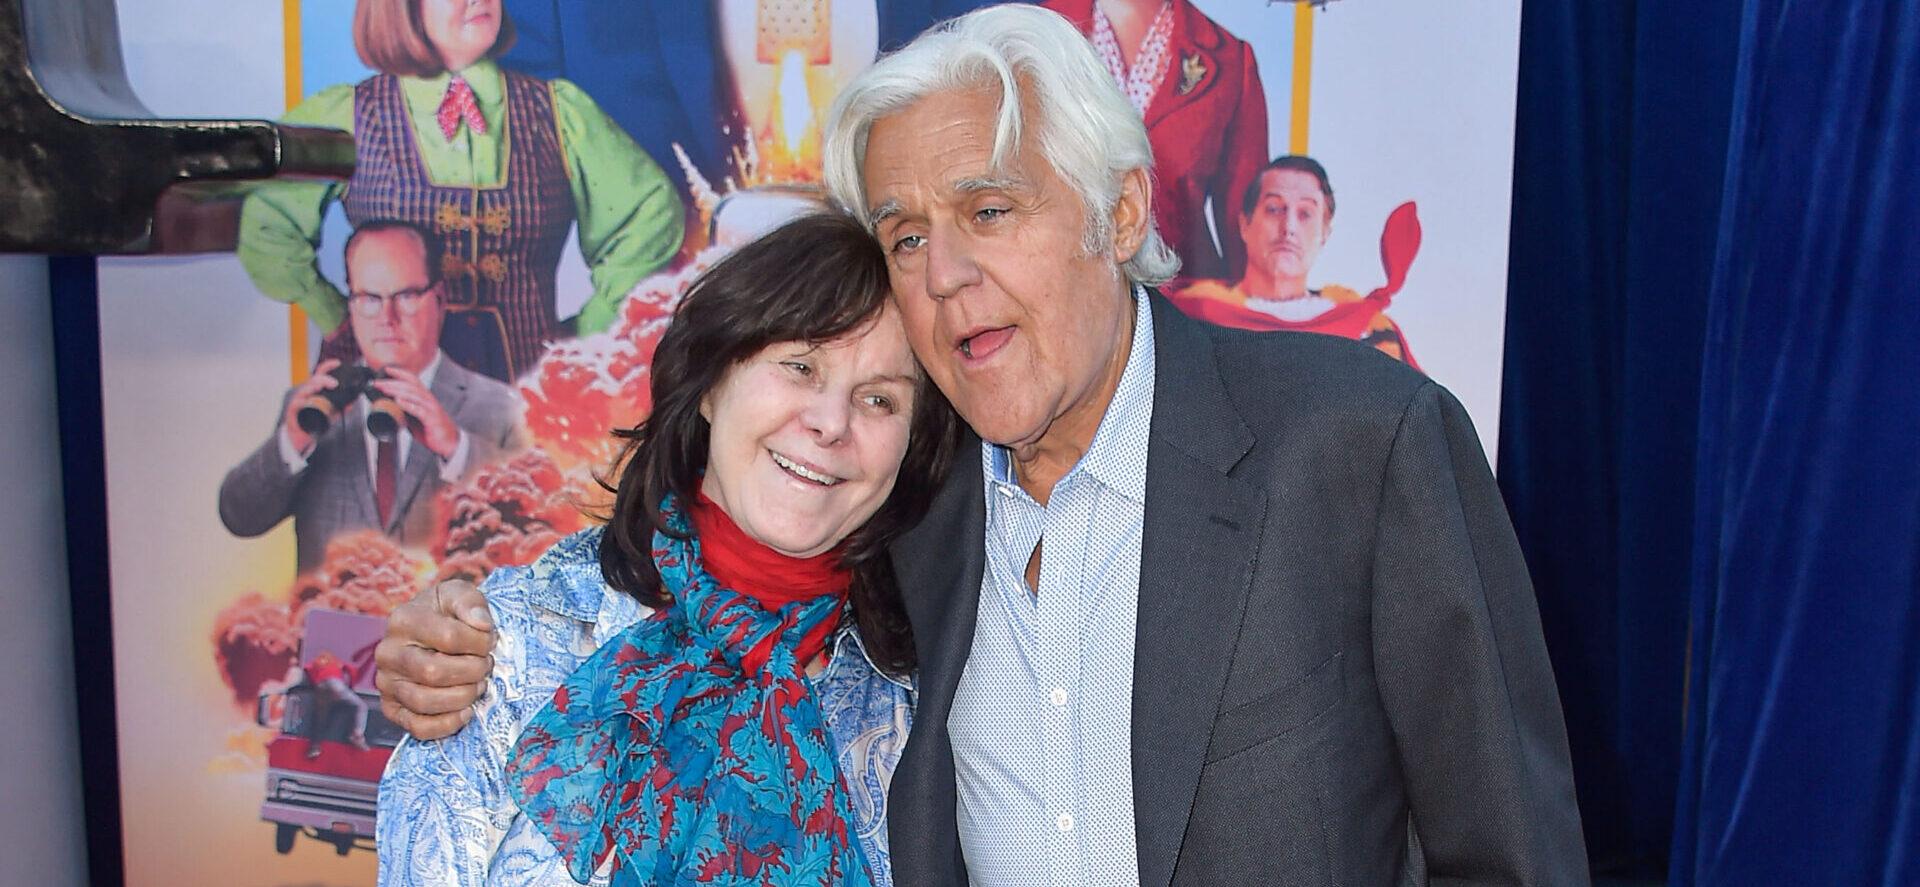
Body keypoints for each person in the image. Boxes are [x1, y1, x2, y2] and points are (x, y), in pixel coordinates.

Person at [376, 6, 1590, 885]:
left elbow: (1510, 851)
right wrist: (446, 636)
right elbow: (703, 569)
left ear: (1117, 212)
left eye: (990, 211)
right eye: (905, 234)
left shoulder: (1357, 442)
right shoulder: (912, 504)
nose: (945, 277)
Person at [375, 213, 965, 886]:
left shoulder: (919, 704)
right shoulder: (512, 645)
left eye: (880, 400)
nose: (831, 423)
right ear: (714, 379)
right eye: (801, 366)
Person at [238, 0, 685, 382]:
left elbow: (651, 214)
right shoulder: (349, 114)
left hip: (524, 401)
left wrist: (592, 329)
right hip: (385, 398)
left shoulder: (558, 111)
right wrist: (338, 319)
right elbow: (268, 224)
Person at [219, 221, 527, 573]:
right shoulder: (312, 407)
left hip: (449, 624)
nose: (386, 317)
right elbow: (240, 516)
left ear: (439, 300)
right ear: (351, 303)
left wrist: (456, 448)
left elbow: (534, 531)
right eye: (369, 298)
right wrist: (292, 442)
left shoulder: (499, 405)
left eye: (406, 296)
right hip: (331, 624)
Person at [1043, 0, 1268, 280]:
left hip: (1184, 296)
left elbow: (1246, 234)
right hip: (1055, 284)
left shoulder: (1230, 59)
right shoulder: (1029, 28)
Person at [1171, 155, 1421, 366]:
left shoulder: (1370, 330)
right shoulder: (1192, 318)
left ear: (1325, 233)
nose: (1288, 227)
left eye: (1305, 214)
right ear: (1244, 223)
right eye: (1274, 209)